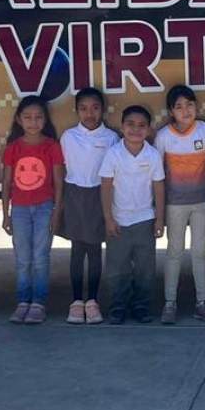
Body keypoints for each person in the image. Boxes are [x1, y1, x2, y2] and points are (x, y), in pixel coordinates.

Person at [154, 85, 205, 324]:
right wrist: (158, 212)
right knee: (174, 252)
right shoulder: (163, 137)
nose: (185, 111)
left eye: (189, 105)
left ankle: (202, 303)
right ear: (171, 111)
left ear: (196, 107)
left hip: (202, 203)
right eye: (179, 107)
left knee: (200, 253)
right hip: (175, 205)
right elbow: (157, 174)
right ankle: (169, 303)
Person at [55, 87, 119, 325]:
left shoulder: (111, 138)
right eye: (83, 108)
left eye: (94, 108)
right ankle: (76, 302)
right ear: (76, 111)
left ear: (103, 110)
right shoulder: (69, 137)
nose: (89, 114)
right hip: (74, 196)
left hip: (98, 196)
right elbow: (62, 170)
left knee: (94, 250)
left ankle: (92, 301)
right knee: (76, 249)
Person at [1, 96, 65, 326]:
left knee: (40, 257)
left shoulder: (52, 146)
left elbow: (59, 183)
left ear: (45, 120)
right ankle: (22, 302)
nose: (33, 122)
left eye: (38, 117)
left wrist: (57, 212)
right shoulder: (13, 148)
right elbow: (7, 183)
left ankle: (38, 302)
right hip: (19, 209)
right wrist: (6, 214)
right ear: (19, 119)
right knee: (22, 258)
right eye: (27, 117)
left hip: (44, 208)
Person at [99, 105, 166, 325]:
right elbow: (106, 187)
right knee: (117, 269)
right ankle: (117, 307)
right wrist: (108, 218)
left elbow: (159, 187)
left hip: (144, 220)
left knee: (145, 269)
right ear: (121, 127)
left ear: (148, 129)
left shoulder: (153, 155)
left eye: (141, 126)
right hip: (119, 221)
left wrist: (159, 218)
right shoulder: (113, 153)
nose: (135, 130)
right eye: (130, 124)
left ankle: (142, 307)